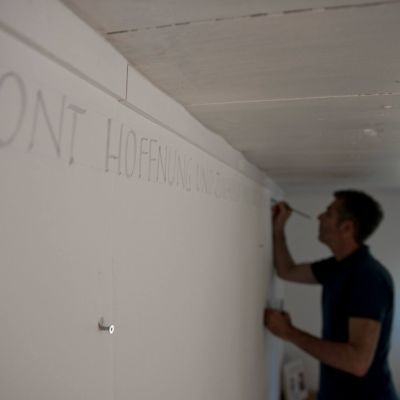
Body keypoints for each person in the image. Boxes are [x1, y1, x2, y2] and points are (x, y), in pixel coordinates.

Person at [264, 190, 398, 400]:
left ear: (347, 227)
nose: (319, 217)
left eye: (328, 213)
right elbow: (286, 270)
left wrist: (289, 332)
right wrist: (278, 229)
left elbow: (357, 362)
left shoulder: (368, 277)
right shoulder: (337, 267)